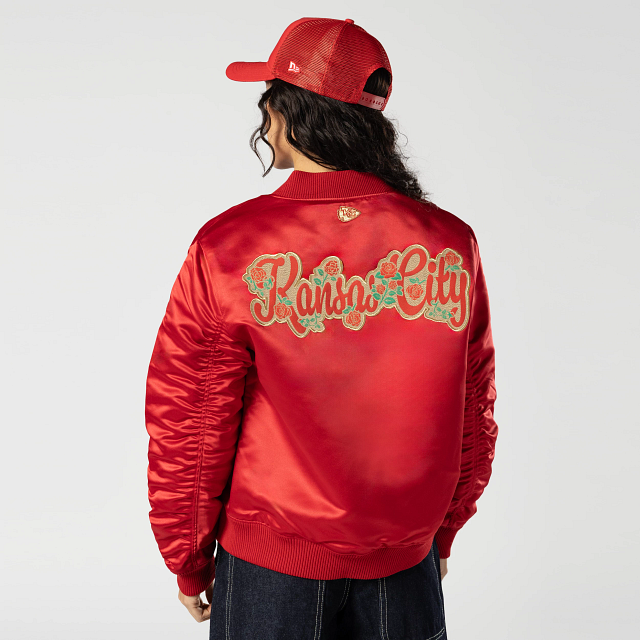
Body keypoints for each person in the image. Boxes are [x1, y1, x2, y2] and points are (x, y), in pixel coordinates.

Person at [145, 16, 499, 640]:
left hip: (272, 565)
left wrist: (188, 556)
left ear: (288, 112)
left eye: (268, 98)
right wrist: (442, 531)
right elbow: (473, 407)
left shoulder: (231, 245)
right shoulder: (450, 243)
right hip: (405, 562)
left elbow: (191, 420)